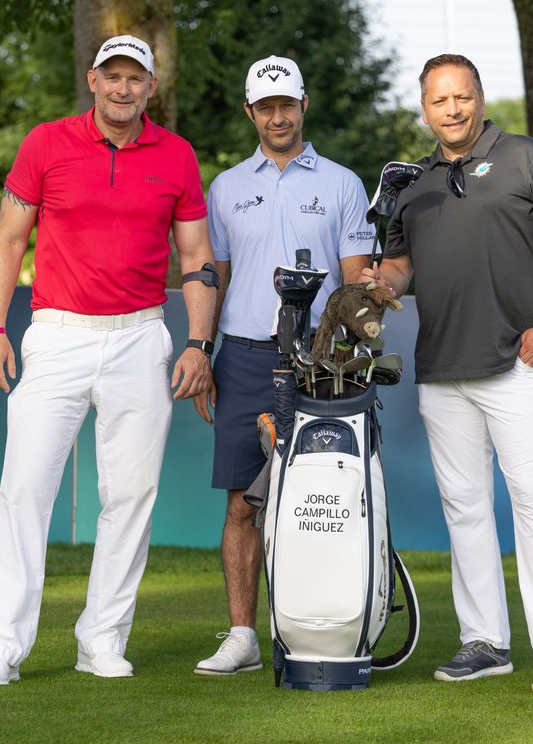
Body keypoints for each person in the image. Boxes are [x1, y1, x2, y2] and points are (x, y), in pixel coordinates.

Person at [0, 35, 217, 687]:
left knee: (130, 496)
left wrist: (198, 342)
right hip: (57, 333)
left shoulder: (177, 155)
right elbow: (8, 240)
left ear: (151, 87)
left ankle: (102, 639)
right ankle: (2, 648)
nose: (122, 88)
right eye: (112, 76)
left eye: (135, 78)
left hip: (141, 336)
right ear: (92, 79)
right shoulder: (45, 143)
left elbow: (196, 256)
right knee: (25, 489)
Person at [363, 54, 533, 693]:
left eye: (462, 96)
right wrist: (381, 285)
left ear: (479, 98)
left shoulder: (528, 156)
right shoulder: (412, 183)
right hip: (442, 368)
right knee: (465, 508)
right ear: (425, 109)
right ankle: (486, 642)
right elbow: (399, 268)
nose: (453, 109)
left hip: (514, 362)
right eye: (439, 100)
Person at [192, 55, 374, 676]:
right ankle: (243, 635)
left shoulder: (343, 184)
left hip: (320, 362)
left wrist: (356, 336)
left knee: (320, 499)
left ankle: (314, 626)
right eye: (266, 107)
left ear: (303, 106)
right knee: (243, 503)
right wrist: (203, 351)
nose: (278, 117)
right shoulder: (225, 187)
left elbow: (356, 281)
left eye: (286, 105)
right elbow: (213, 278)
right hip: (244, 357)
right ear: (250, 112)